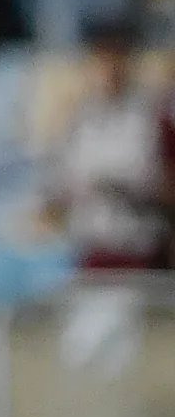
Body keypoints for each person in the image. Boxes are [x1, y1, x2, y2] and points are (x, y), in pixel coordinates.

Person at [46, 20, 168, 271]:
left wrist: (117, 184)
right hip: (94, 251)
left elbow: (156, 179)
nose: (110, 69)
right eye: (102, 59)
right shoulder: (81, 121)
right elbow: (63, 183)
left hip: (139, 251)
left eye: (116, 58)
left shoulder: (148, 117)